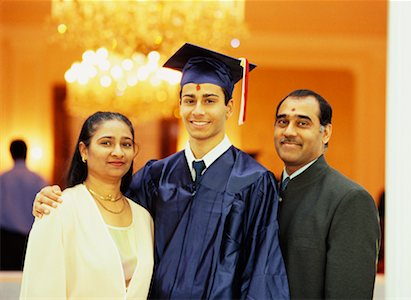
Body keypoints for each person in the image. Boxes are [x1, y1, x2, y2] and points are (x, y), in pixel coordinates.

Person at [32, 43, 289, 299]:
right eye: (190, 100)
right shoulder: (157, 176)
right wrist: (50, 201)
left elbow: (261, 271)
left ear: (229, 107)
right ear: (180, 105)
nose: (198, 110)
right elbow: (106, 206)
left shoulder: (254, 181)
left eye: (209, 100)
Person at [20, 112, 154, 299]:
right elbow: (40, 291)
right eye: (106, 143)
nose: (118, 152)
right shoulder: (57, 208)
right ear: (84, 151)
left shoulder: (143, 217)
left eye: (126, 144)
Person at [274, 89, 380, 299]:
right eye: (282, 122)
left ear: (326, 133)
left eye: (302, 123)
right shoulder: (265, 194)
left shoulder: (349, 200)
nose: (289, 131)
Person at [0, 139, 47, 270]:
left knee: (7, 282)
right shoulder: (38, 179)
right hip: (32, 236)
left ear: (11, 153)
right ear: (26, 152)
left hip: (7, 239)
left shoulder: (3, 179)